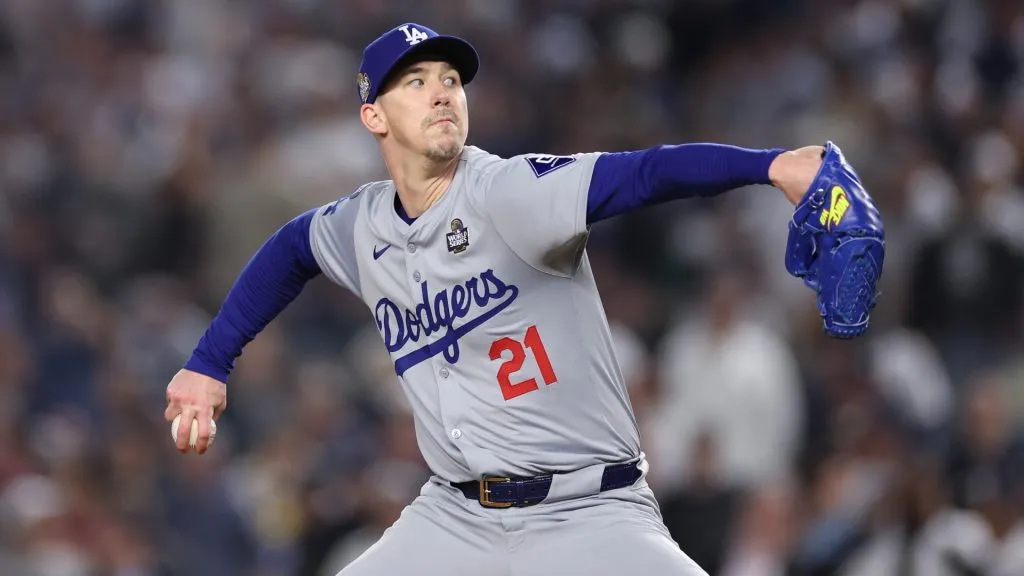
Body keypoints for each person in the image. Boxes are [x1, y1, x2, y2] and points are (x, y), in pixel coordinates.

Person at [163, 22, 829, 576]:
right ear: (374, 116)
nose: (443, 94)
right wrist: (208, 362)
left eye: (451, 80)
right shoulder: (362, 226)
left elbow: (644, 173)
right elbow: (291, 249)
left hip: (590, 513)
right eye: (416, 82)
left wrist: (770, 166)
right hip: (456, 518)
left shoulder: (509, 193)